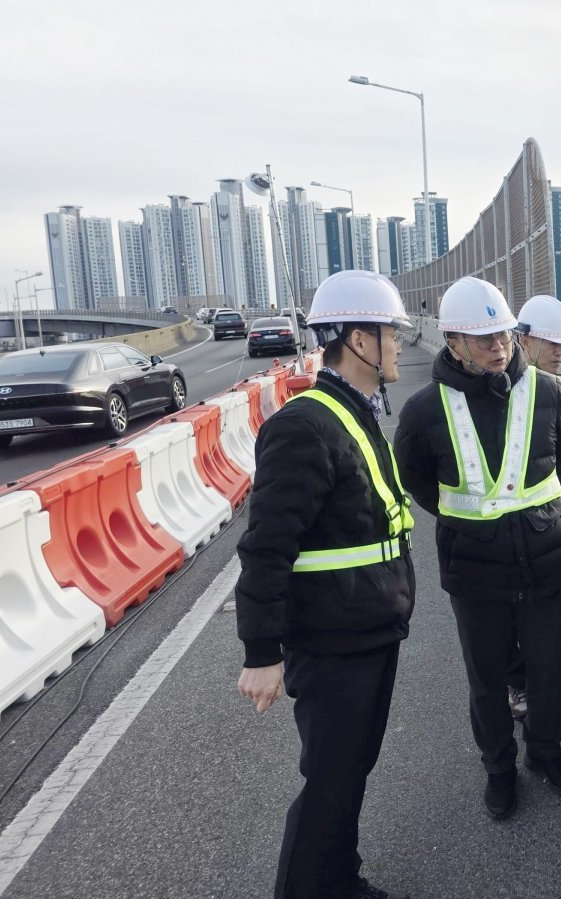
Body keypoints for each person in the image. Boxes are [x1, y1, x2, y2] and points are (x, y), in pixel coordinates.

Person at [236, 269, 417, 899]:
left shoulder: (353, 414)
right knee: (329, 783)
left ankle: (340, 880)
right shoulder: (305, 426)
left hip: (367, 629)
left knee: (351, 775)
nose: (398, 343)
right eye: (390, 331)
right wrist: (261, 653)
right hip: (332, 642)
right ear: (359, 340)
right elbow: (265, 549)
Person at [394, 277, 561, 821]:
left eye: (503, 335)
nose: (499, 348)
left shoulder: (548, 393)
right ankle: (499, 770)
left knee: (545, 671)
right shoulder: (426, 409)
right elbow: (416, 479)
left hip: (544, 561)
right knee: (487, 681)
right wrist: (474, 522)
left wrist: (541, 512)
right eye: (484, 340)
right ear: (454, 343)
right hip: (476, 571)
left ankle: (545, 754)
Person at [505, 294, 561, 719]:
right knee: (506, 622)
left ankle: (541, 689)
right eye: (553, 343)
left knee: (541, 618)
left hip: (539, 530)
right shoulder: (495, 387)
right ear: (524, 339)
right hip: (495, 534)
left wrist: (547, 488)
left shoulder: (551, 392)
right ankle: (518, 685)